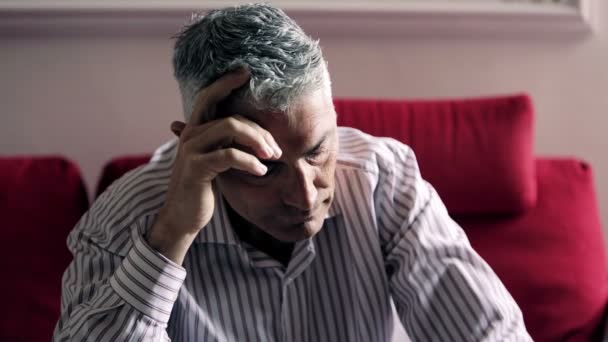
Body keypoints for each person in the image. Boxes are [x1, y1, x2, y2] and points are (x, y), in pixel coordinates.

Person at [53, 4, 531, 341]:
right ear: (199, 148)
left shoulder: (383, 181)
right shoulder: (127, 220)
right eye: (264, 167)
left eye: (318, 149)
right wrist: (171, 236)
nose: (305, 196)